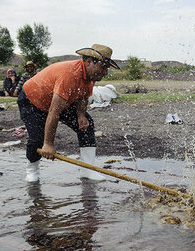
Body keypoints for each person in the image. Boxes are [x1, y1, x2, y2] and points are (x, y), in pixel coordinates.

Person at [17, 44, 120, 182]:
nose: (105, 72)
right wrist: (48, 144)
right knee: (38, 139)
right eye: (103, 67)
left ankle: (88, 170)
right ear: (89, 62)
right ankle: (32, 171)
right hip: (32, 100)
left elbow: (83, 97)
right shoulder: (69, 74)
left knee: (86, 125)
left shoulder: (91, 76)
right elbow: (54, 112)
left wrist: (80, 115)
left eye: (107, 68)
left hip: (58, 102)